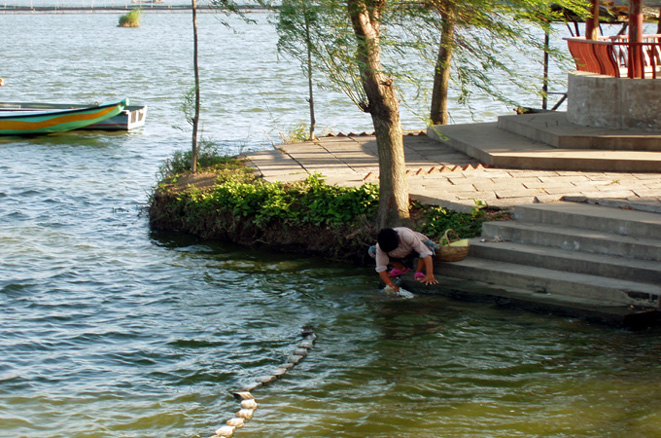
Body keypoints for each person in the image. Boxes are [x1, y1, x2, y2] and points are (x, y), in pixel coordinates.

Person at [369, 227, 439, 292]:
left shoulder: (406, 235)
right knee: (372, 250)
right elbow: (381, 268)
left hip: (413, 251)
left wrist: (429, 275)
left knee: (430, 246)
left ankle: (418, 271)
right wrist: (392, 286)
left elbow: (426, 253)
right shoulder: (380, 246)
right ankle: (400, 268)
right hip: (398, 256)